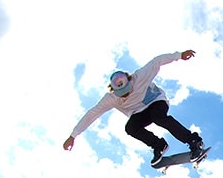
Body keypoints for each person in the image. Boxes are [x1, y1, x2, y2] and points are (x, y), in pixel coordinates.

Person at [63, 50, 205, 165]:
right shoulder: (110, 99)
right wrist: (73, 135)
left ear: (130, 80)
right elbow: (92, 114)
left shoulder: (141, 75)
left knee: (159, 118)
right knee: (130, 128)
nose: (125, 95)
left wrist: (179, 56)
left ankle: (194, 141)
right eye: (122, 94)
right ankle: (158, 145)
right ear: (114, 91)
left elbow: (157, 61)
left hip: (156, 101)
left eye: (127, 91)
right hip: (139, 113)